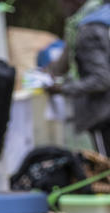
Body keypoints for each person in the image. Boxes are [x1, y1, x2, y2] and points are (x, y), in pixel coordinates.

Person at [47, 0, 110, 154]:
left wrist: (63, 88)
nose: (60, 6)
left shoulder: (88, 30)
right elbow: (68, 60)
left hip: (104, 115)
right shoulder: (102, 17)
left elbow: (101, 80)